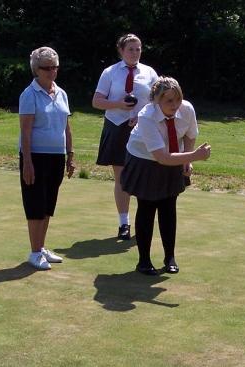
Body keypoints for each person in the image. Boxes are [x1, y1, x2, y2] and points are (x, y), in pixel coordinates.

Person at [121, 76, 211, 275]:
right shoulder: (146, 116)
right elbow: (161, 157)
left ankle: (169, 257)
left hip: (173, 156)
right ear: (156, 101)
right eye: (169, 100)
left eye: (177, 99)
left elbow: (190, 134)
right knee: (146, 206)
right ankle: (143, 261)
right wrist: (194, 156)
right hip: (143, 159)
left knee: (169, 206)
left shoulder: (186, 109)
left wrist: (187, 159)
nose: (175, 105)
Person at [92, 33, 158, 241]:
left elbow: (159, 101)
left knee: (144, 175)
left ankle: (143, 223)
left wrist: (141, 116)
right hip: (117, 126)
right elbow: (97, 101)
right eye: (131, 49)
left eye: (138, 49)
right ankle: (124, 224)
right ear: (121, 50)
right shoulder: (110, 72)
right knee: (121, 178)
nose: (135, 52)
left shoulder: (149, 72)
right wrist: (118, 104)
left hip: (142, 129)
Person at [18, 46, 76, 270]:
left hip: (56, 156)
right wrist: (27, 162)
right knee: (35, 204)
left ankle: (41, 247)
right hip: (35, 157)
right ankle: (34, 252)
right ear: (36, 70)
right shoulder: (29, 94)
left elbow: (66, 127)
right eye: (47, 68)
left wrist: (70, 155)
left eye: (55, 67)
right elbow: (26, 131)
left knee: (48, 204)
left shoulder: (61, 93)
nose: (52, 72)